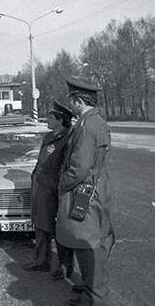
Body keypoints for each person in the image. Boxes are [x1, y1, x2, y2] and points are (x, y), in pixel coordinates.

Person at [56, 78, 114, 306]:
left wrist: (62, 184)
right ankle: (87, 291)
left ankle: (95, 297)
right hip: (89, 190)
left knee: (90, 247)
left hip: (85, 193)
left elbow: (79, 168)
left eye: (72, 100)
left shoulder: (89, 125)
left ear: (78, 100)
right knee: (83, 244)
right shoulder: (90, 120)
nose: (70, 105)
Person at [23, 100, 73, 279]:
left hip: (54, 188)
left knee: (60, 229)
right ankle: (41, 261)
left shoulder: (69, 138)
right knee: (41, 225)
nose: (47, 120)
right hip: (41, 187)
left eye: (51, 117)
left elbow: (67, 166)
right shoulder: (49, 136)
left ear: (61, 119)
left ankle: (64, 266)